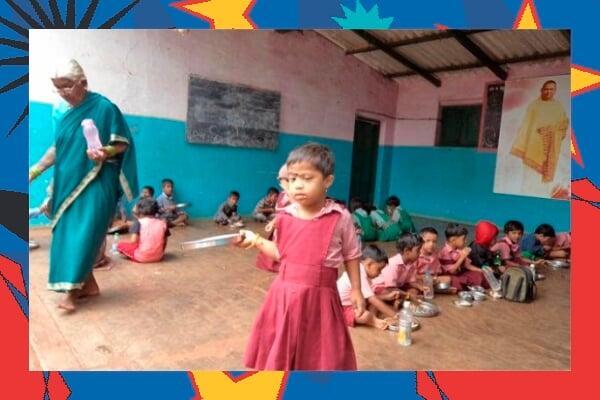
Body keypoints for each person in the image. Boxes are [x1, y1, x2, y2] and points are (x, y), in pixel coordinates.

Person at [235, 143, 364, 370]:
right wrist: (255, 240)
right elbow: (280, 253)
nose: (297, 185)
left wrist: (356, 289)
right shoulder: (284, 216)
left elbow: (351, 254)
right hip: (284, 297)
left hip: (320, 300)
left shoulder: (340, 217)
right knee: (282, 353)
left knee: (320, 355)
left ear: (328, 181)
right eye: (292, 179)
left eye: (307, 178)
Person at [28, 59, 138, 311]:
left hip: (98, 179)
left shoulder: (104, 107)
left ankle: (71, 293)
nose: (63, 92)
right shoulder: (63, 114)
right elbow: (59, 148)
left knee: (84, 233)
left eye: (67, 86)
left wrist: (105, 151)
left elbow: (122, 143)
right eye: (58, 87)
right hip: (68, 182)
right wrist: (35, 170)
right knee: (65, 231)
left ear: (83, 83)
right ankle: (88, 285)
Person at [510, 80, 570, 198]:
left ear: (555, 91)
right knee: (529, 179)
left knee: (544, 186)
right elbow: (526, 126)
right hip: (533, 149)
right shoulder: (534, 106)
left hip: (550, 149)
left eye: (552, 89)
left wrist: (550, 130)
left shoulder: (559, 107)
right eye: (546, 89)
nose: (549, 92)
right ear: (541, 90)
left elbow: (564, 125)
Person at [337, 244, 397, 329]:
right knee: (364, 315)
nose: (380, 273)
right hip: (342, 308)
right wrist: (395, 315)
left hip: (355, 303)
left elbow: (369, 297)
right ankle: (374, 321)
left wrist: (386, 297)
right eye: (379, 269)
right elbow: (372, 299)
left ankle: (373, 317)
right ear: (369, 264)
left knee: (373, 303)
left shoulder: (364, 273)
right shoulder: (360, 274)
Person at [371, 232, 425, 303]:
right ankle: (401, 300)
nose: (420, 253)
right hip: (383, 286)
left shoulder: (412, 263)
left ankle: (404, 299)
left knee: (414, 290)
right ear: (407, 251)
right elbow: (390, 288)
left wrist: (420, 287)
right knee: (390, 293)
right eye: (418, 250)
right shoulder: (393, 264)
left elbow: (410, 282)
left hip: (397, 286)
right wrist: (408, 295)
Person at [116, 198, 169, 263]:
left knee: (119, 245)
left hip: (142, 257)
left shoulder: (139, 222)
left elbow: (133, 241)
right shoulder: (163, 223)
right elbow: (165, 241)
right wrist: (160, 253)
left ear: (140, 210)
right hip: (159, 257)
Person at [439, 223, 484, 291]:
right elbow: (452, 271)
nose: (465, 241)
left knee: (478, 275)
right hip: (449, 276)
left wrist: (481, 270)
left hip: (459, 274)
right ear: (453, 240)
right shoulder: (444, 252)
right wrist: (462, 257)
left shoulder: (458, 250)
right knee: (457, 282)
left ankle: (469, 285)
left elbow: (467, 266)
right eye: (463, 239)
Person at [417, 227, 455, 293]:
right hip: (421, 279)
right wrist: (425, 278)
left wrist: (434, 278)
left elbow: (437, 271)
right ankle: (433, 289)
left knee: (448, 279)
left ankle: (432, 289)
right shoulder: (417, 256)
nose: (431, 244)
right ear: (420, 242)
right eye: (427, 241)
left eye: (434, 241)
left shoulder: (435, 254)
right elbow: (412, 276)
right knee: (416, 282)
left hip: (432, 279)